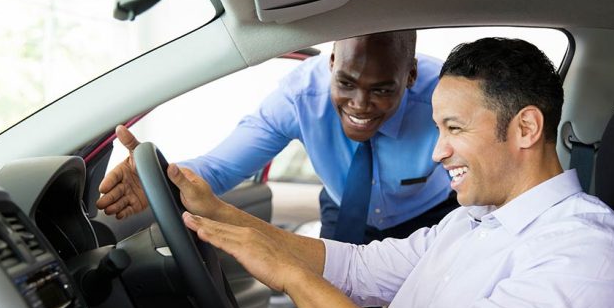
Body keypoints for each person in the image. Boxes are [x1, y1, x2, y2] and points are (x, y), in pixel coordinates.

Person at [121, 37, 614, 308]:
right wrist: (218, 212)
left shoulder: (588, 254)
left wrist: (292, 275)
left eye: (454, 129)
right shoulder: (474, 221)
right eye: (438, 127)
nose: (437, 150)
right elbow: (356, 265)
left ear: (526, 128)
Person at [96, 30, 457, 245]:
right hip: (344, 208)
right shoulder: (298, 96)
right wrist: (161, 178)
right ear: (331, 62)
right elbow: (221, 168)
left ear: (409, 76)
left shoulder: (446, 98)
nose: (360, 105)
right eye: (346, 83)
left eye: (381, 90)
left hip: (430, 214)